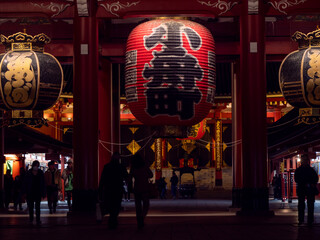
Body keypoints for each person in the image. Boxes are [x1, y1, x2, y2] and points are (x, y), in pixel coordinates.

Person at [99, 152, 128, 229]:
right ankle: (113, 219)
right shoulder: (121, 167)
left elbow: (102, 180)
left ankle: (112, 219)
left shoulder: (107, 167)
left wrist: (100, 190)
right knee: (117, 205)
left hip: (109, 189)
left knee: (110, 204)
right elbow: (126, 177)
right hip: (118, 188)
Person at [294, 154, 319, 226]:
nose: (304, 161)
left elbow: (296, 179)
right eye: (303, 160)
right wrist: (310, 182)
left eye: (305, 160)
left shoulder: (298, 170)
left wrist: (303, 182)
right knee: (308, 205)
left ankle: (302, 220)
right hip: (308, 188)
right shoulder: (311, 170)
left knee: (303, 205)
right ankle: (308, 221)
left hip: (302, 188)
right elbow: (315, 179)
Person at [130, 154, 153, 229]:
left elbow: (130, 177)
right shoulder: (144, 166)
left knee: (138, 206)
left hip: (137, 188)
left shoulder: (133, 168)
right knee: (146, 204)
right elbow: (151, 175)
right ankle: (142, 217)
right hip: (145, 188)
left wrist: (130, 187)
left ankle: (139, 221)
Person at [25, 160, 46, 225]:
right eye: (35, 165)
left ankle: (38, 219)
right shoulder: (29, 173)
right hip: (30, 191)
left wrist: (43, 192)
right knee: (31, 206)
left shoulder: (40, 173)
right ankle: (31, 218)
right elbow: (25, 183)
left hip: (38, 192)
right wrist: (25, 192)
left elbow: (43, 183)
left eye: (37, 165)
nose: (36, 167)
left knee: (38, 207)